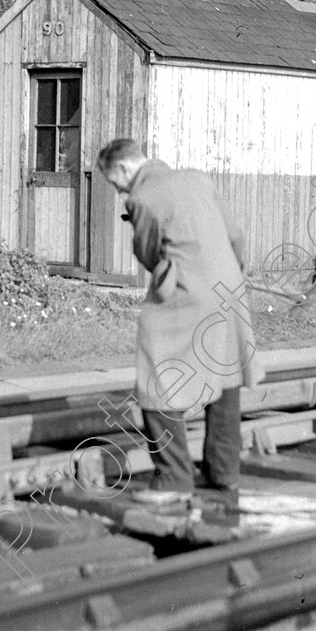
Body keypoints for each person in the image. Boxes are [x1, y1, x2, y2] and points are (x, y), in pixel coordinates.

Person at [96, 138, 264, 506]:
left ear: (124, 169)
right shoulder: (197, 179)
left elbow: (148, 252)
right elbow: (235, 234)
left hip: (187, 289)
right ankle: (224, 474)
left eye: (115, 182)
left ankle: (174, 478)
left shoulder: (141, 198)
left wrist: (175, 277)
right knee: (225, 373)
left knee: (157, 377)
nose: (119, 190)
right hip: (229, 287)